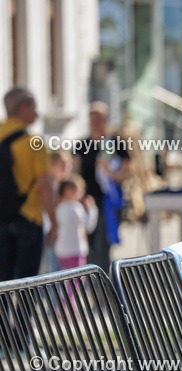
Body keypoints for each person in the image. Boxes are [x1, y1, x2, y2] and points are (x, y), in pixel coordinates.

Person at [0, 87, 58, 282]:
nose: (37, 112)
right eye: (34, 106)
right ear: (22, 107)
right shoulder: (34, 142)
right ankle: (22, 315)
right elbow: (45, 187)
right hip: (28, 219)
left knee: (3, 284)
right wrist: (54, 223)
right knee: (28, 284)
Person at [74, 102, 130, 273]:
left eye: (99, 119)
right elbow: (75, 172)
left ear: (106, 120)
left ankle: (102, 290)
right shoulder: (82, 145)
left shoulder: (116, 143)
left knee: (102, 247)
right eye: (92, 119)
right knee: (86, 246)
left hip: (108, 201)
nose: (95, 123)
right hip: (87, 201)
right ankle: (91, 286)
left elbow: (126, 173)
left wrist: (109, 172)